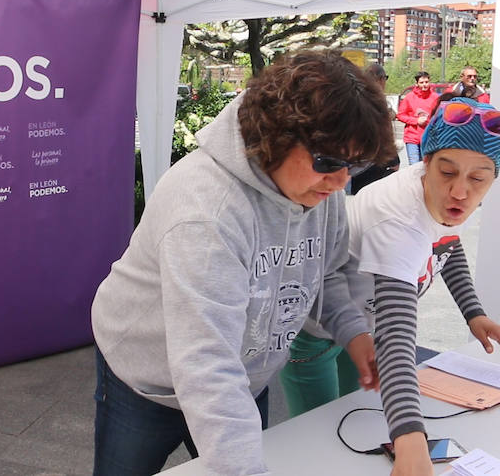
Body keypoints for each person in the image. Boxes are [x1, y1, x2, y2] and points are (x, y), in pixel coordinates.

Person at [90, 50, 396, 476]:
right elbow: (206, 364)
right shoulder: (206, 210)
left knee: (236, 449)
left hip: (244, 374)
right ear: (275, 137)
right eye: (328, 163)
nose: (342, 180)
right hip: (145, 378)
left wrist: (353, 332)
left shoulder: (321, 183)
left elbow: (326, 270)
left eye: (355, 164)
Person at [280, 96, 500, 476]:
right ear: (425, 162)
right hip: (316, 330)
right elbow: (398, 334)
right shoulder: (397, 221)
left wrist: (474, 313)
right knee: (314, 444)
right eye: (448, 173)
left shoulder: (440, 196)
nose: (461, 192)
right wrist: (411, 438)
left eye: (478, 178)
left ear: (494, 178)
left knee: (354, 426)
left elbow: (447, 242)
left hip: (364, 329)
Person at [349, 63, 401, 194]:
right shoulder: (377, 101)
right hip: (376, 161)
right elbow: (385, 135)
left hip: (357, 162)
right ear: (381, 79)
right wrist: (394, 159)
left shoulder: (353, 97)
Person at [397, 71, 439, 165]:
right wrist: (416, 121)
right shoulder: (409, 97)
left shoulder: (435, 97)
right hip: (412, 137)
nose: (424, 85)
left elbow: (439, 115)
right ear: (417, 84)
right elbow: (400, 115)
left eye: (426, 82)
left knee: (426, 166)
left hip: (428, 137)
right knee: (414, 167)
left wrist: (429, 121)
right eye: (421, 82)